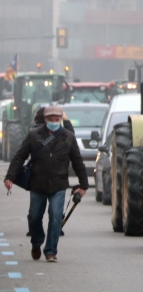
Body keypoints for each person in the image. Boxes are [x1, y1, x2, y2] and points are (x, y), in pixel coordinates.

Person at [3, 106, 88, 263]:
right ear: (45, 120)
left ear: (61, 120)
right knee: (34, 217)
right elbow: (19, 157)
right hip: (37, 183)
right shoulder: (34, 135)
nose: (54, 122)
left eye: (57, 120)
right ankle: (36, 243)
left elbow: (77, 161)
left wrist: (84, 185)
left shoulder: (68, 137)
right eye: (51, 120)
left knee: (56, 217)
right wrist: (10, 177)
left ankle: (50, 251)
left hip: (59, 184)